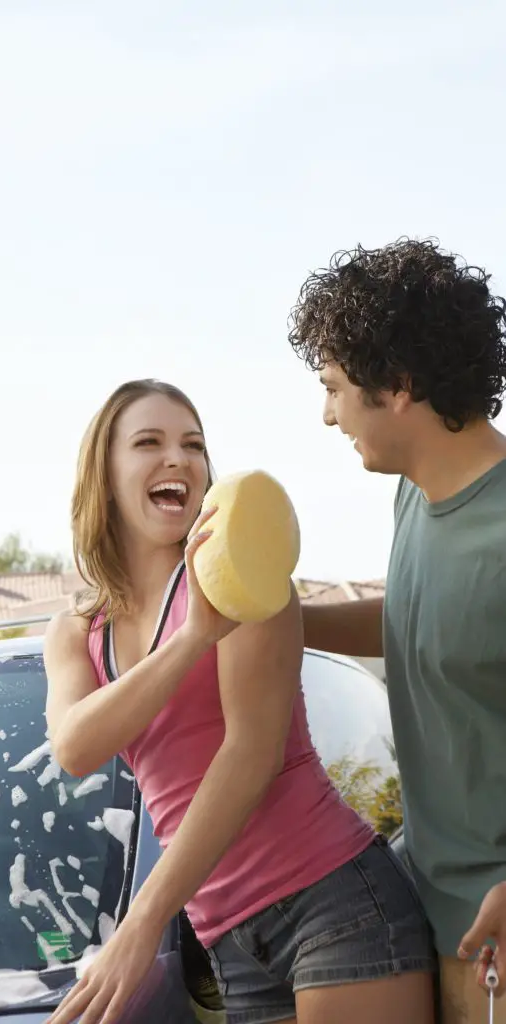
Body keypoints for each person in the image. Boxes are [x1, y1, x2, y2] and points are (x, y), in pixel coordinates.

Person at [42, 378, 435, 1024]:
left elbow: (248, 758)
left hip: (332, 903)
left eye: (192, 444)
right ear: (103, 475)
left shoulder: (245, 577)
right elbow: (77, 746)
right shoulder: (76, 633)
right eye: (149, 442)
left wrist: (141, 925)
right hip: (230, 939)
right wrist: (194, 636)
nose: (178, 458)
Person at [287, 237, 506, 1024]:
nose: (326, 412)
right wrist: (281, 623)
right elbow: (421, 619)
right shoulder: (414, 496)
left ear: (400, 386)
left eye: (335, 387)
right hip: (426, 916)